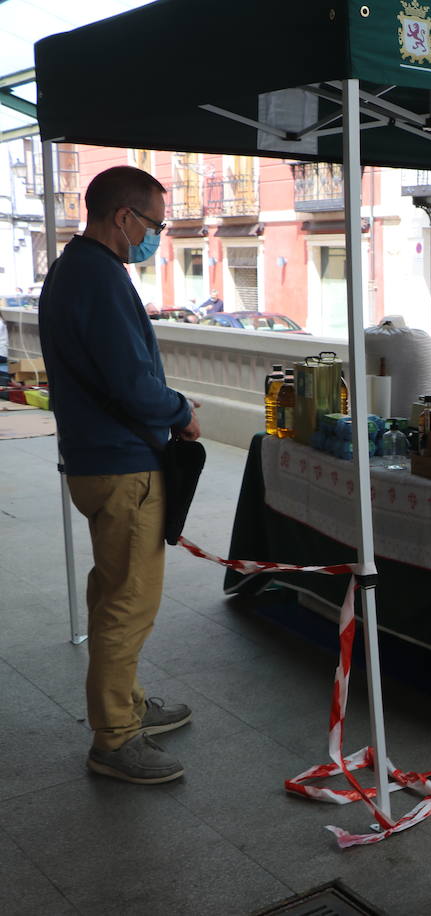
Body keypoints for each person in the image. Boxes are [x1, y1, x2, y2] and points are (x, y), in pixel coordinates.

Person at [38, 165, 202, 784]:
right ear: (123, 217)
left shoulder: (74, 268)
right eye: (155, 224)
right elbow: (132, 383)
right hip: (122, 462)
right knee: (128, 602)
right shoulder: (100, 278)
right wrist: (181, 411)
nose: (156, 236)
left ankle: (128, 703)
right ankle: (114, 738)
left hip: (94, 458)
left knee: (112, 588)